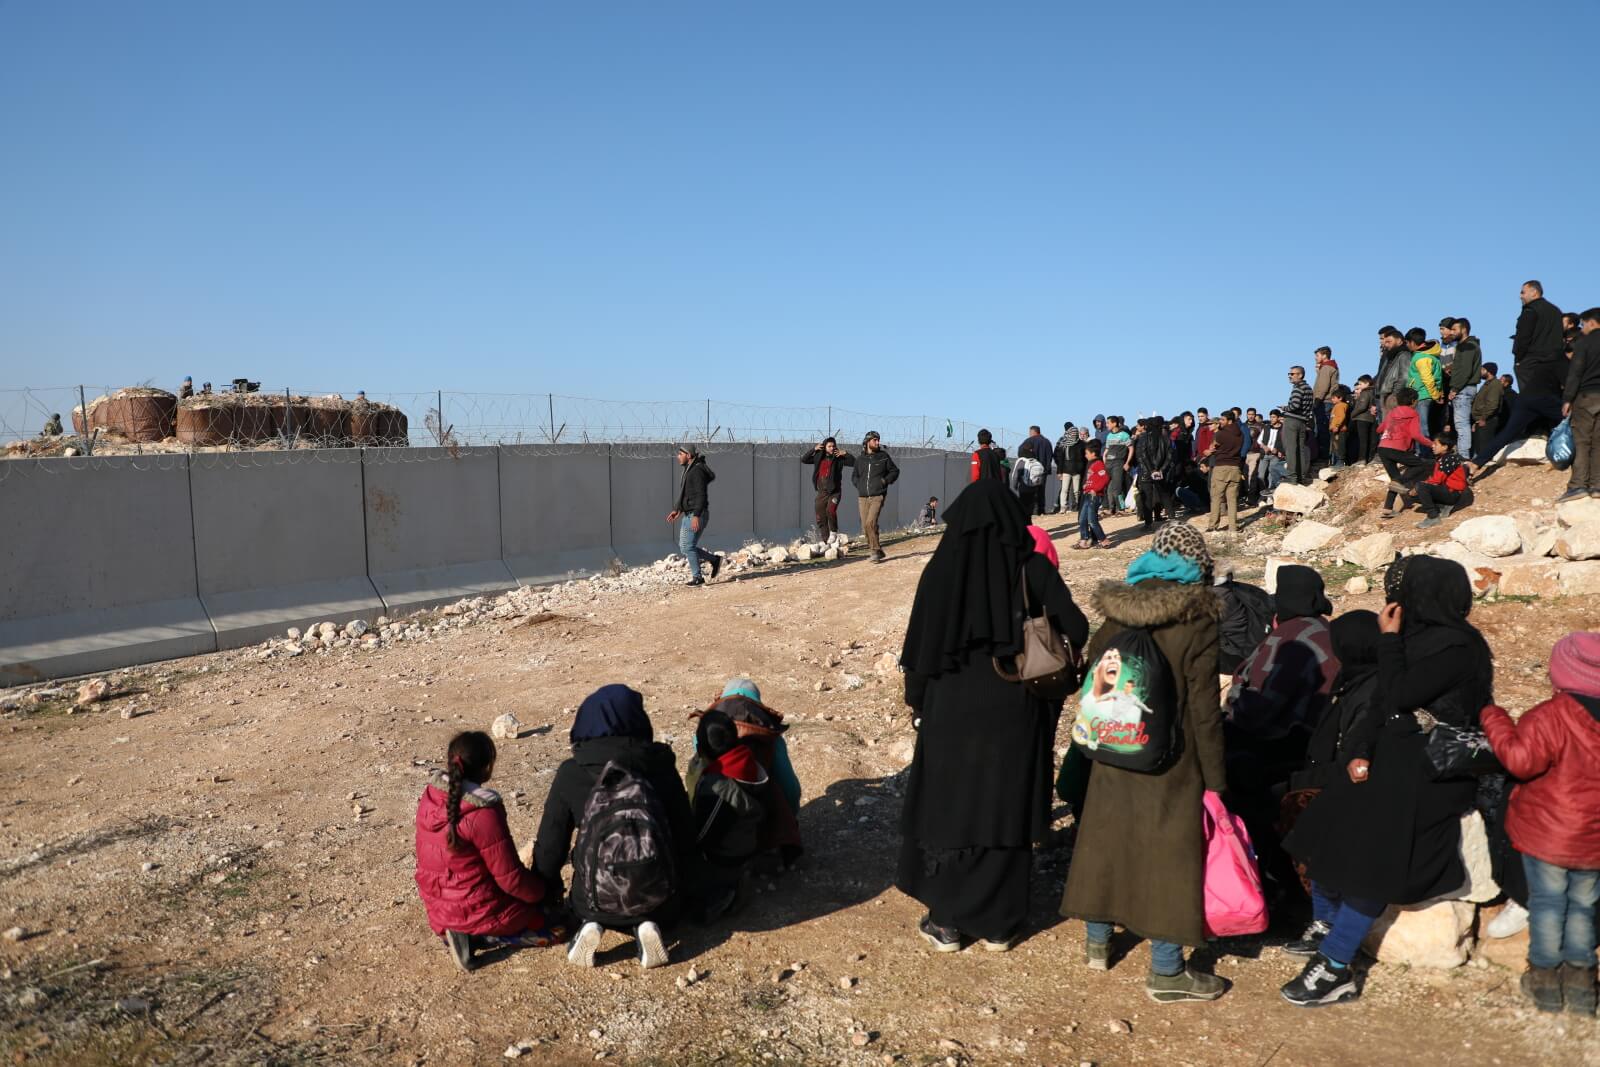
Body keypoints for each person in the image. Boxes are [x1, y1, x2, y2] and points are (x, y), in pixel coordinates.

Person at [1281, 557, 1494, 1007]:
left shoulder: (1459, 647)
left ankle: (1336, 964)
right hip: (1393, 754)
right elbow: (1382, 705)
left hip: (1434, 769)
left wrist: (1389, 644)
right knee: (1320, 827)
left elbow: (1400, 695)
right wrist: (1358, 752)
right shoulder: (1417, 640)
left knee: (1374, 856)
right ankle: (1327, 925)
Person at [897, 479, 1089, 952]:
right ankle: (1000, 924)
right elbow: (1078, 628)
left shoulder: (940, 571)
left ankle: (946, 920)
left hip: (949, 710)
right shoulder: (1032, 567)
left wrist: (918, 704)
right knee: (1005, 806)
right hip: (1015, 707)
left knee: (952, 804)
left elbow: (919, 650)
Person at [1060, 523, 1230, 1002]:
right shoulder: (1197, 618)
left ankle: (1097, 944)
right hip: (1171, 761)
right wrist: (1215, 779)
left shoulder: (1117, 612)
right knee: (1170, 857)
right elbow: (1203, 709)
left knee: (1104, 839)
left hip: (1113, 748)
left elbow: (1095, 680)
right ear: (1196, 565)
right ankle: (1167, 970)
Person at [533, 685, 701, 969]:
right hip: (662, 897)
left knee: (586, 903)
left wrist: (545, 893)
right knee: (657, 905)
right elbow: (685, 836)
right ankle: (647, 924)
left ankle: (593, 924)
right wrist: (694, 889)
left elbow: (551, 847)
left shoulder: (572, 773)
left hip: (591, 897)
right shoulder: (660, 766)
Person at [1480, 632, 1600, 1015]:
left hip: (1548, 834)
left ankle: (1546, 980)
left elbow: (1519, 760)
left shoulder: (1551, 716)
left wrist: (1494, 718)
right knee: (1584, 905)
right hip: (1593, 838)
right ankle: (1581, 983)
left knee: (1548, 904)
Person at [1224, 566, 1339, 911]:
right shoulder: (1327, 632)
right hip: (1319, 745)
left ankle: (1266, 885)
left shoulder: (1286, 639)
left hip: (1280, 748)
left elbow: (1259, 709)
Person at [415, 731, 557, 972]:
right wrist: (541, 892)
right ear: (487, 767)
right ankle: (476, 937)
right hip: (476, 910)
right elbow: (511, 879)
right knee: (555, 926)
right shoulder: (483, 812)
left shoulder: (431, 797)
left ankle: (460, 933)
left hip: (438, 909)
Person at [690, 678, 803, 868]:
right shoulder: (769, 736)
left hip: (712, 835)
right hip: (762, 828)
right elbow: (791, 790)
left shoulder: (704, 733)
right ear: (757, 703)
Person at [1471, 281, 1568, 471]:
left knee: (1531, 399)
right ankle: (1544, 431)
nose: (1520, 296)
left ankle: (1537, 432)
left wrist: (1518, 357)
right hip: (1554, 362)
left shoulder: (1530, 311)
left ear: (1534, 292)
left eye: (1523, 292)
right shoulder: (1556, 311)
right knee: (1550, 398)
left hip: (1532, 361)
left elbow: (1523, 336)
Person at [1560, 308, 1600, 502]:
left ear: (1592, 323)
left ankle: (1578, 486)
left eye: (1584, 324)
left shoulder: (1584, 343)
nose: (1582, 328)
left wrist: (1567, 398)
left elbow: (1575, 372)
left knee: (1582, 441)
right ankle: (1597, 485)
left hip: (1586, 396)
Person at [1375, 388, 1435, 518]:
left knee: (1395, 479)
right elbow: (1416, 435)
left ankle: (1388, 509)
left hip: (1383, 448)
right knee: (1420, 465)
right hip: (1396, 448)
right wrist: (1432, 444)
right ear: (1413, 401)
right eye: (1417, 400)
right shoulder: (1413, 413)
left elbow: (1379, 429)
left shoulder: (1392, 412)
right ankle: (1399, 483)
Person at [670, 444, 721, 586]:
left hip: (695, 514)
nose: (678, 456)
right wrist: (678, 509)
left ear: (689, 455)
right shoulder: (689, 470)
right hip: (689, 513)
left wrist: (696, 516)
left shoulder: (696, 471)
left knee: (688, 547)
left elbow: (701, 495)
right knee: (685, 546)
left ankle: (698, 577)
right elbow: (687, 494)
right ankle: (714, 560)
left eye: (680, 453)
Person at [851, 431, 899, 562]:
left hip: (878, 495)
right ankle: (878, 550)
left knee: (870, 522)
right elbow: (854, 476)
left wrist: (884, 481)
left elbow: (895, 471)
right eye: (875, 440)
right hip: (863, 497)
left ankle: (874, 552)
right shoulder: (860, 459)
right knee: (866, 527)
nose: (877, 442)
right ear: (867, 442)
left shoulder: (883, 457)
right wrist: (859, 486)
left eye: (878, 440)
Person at [1412, 430, 1472, 529]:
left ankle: (1433, 517)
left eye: (1436, 444)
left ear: (1445, 447)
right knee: (1414, 492)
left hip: (1453, 493)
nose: (1432, 446)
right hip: (1448, 491)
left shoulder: (1449, 459)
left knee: (1420, 487)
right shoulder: (1443, 458)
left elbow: (1437, 480)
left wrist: (1419, 486)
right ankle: (1444, 506)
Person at [1444, 317, 1483, 459]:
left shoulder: (1467, 345)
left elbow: (1466, 370)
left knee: (1462, 424)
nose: (1452, 332)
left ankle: (1464, 456)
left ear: (1464, 329)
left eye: (1455, 329)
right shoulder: (1467, 345)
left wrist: (1454, 388)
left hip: (1463, 389)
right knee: (1462, 424)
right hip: (1465, 388)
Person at [803, 437, 853, 543]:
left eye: (833, 446)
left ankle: (833, 532)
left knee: (830, 510)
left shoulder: (839, 458)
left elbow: (854, 462)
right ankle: (826, 541)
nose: (831, 448)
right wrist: (814, 449)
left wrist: (846, 453)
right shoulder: (819, 458)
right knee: (820, 515)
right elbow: (804, 459)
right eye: (829, 446)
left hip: (835, 491)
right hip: (822, 492)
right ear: (824, 447)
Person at [1203, 409, 1245, 533]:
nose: (1220, 422)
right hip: (1235, 468)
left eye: (1222, 420)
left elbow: (1212, 449)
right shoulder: (1241, 434)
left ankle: (1213, 526)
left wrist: (1207, 452)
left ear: (1229, 420)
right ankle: (1233, 527)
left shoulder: (1220, 434)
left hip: (1221, 467)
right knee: (1232, 500)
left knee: (1216, 497)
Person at [1133, 415, 1175, 530]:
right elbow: (1169, 456)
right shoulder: (1166, 438)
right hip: (1160, 471)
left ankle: (1148, 523)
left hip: (1147, 472)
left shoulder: (1144, 437)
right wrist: (1161, 470)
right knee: (1164, 494)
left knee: (1147, 498)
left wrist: (1151, 470)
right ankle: (1172, 518)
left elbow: (1142, 455)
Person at [1405, 328, 1445, 435]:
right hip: (1426, 395)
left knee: (1422, 427)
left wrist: (1436, 396)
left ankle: (1424, 451)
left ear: (1412, 343)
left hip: (1422, 395)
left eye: (1407, 343)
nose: (1407, 345)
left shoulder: (1421, 358)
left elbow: (1428, 379)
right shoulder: (1430, 355)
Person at [1075, 439, 1109, 550]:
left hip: (1094, 496)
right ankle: (1083, 540)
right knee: (1082, 519)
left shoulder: (1098, 464)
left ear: (1093, 453)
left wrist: (1095, 489)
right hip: (1087, 494)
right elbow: (1091, 479)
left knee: (1091, 519)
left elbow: (1105, 478)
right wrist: (1086, 486)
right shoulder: (1091, 464)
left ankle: (1104, 540)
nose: (1085, 456)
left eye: (1086, 453)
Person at [1017, 425, 1054, 517]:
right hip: (1043, 471)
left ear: (1032, 432)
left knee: (1032, 490)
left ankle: (1033, 510)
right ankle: (1041, 510)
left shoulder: (1029, 441)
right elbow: (1050, 456)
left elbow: (1020, 452)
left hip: (1031, 469)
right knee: (1041, 490)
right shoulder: (1047, 442)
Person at [1374, 326, 1411, 415]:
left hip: (1392, 396)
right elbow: (1381, 375)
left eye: (1389, 342)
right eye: (1385, 342)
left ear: (1399, 341)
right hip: (1383, 395)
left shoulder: (1404, 355)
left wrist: (1394, 395)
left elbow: (1404, 377)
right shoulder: (1389, 356)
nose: (1386, 344)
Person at [1312, 347, 1340, 459]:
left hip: (1324, 402)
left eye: (1317, 355)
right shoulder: (1328, 367)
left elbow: (1323, 386)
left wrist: (1317, 400)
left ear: (1324, 355)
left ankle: (1323, 457)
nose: (1315, 358)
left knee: (1321, 431)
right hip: (1327, 401)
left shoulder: (1327, 367)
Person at [1055, 422, 1087, 513]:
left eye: (1075, 432)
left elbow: (1084, 459)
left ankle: (1076, 507)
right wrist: (1059, 471)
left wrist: (1082, 469)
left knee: (1076, 490)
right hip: (1066, 470)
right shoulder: (1065, 445)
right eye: (1072, 432)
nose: (1073, 434)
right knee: (1065, 490)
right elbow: (1061, 459)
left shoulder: (1082, 444)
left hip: (1077, 470)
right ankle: (1063, 507)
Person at [1103, 417, 1132, 515]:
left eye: (1108, 423)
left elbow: (1131, 449)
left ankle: (1122, 508)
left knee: (1117, 488)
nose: (1106, 425)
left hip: (1118, 463)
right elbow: (1106, 450)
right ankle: (1111, 509)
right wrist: (1104, 459)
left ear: (1114, 423)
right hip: (1108, 464)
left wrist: (1127, 463)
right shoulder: (1109, 435)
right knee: (1108, 488)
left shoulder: (1124, 435)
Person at [1472, 361, 1505, 444]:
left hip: (1487, 421)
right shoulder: (1487, 384)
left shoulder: (1495, 384)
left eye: (1482, 369)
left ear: (1489, 371)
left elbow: (1492, 404)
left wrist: (1483, 418)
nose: (1480, 371)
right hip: (1481, 421)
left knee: (1484, 448)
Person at [1326, 387, 1350, 468]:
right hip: (1335, 430)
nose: (1332, 400)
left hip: (1340, 430)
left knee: (1340, 446)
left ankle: (1341, 461)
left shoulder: (1340, 405)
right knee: (1335, 446)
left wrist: (1337, 426)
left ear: (1340, 398)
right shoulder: (1336, 406)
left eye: (1334, 398)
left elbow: (1341, 416)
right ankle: (1337, 461)